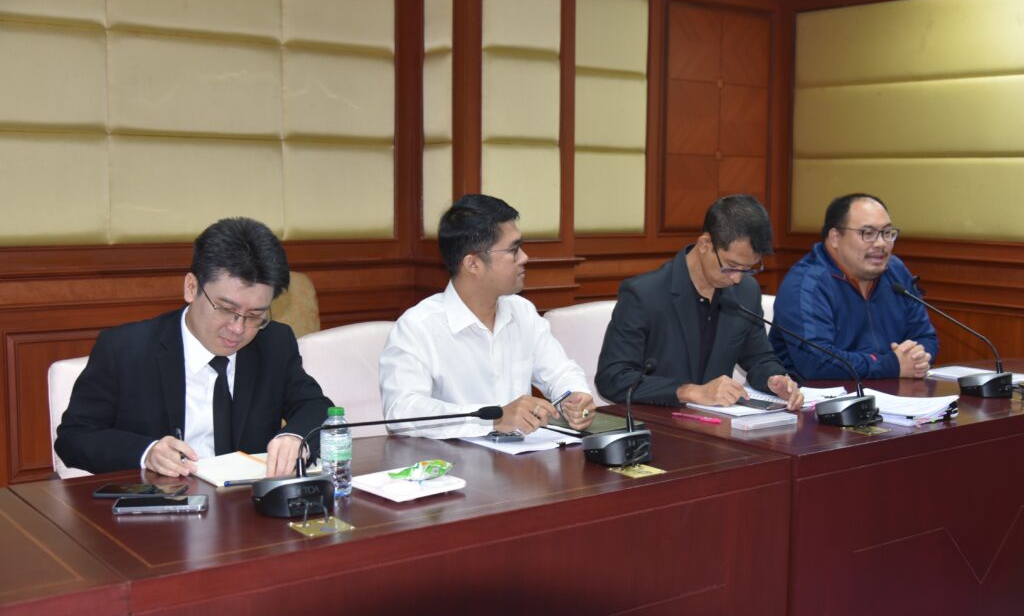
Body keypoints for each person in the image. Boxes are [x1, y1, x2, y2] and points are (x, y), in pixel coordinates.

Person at [55, 217, 332, 477]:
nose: (238, 328)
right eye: (226, 309)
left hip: (248, 503)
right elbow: (74, 437)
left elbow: (316, 407)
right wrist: (147, 453)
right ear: (191, 287)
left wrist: (295, 436)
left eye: (255, 315)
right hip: (163, 505)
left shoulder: (273, 342)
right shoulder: (126, 349)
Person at [380, 194, 596, 438]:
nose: (524, 257)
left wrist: (575, 396)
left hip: (526, 455)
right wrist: (492, 418)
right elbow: (401, 411)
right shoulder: (418, 326)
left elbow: (560, 372)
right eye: (513, 250)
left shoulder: (522, 311)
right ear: (472, 264)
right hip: (453, 459)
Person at [596, 195, 803, 410]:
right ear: (705, 244)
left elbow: (759, 359)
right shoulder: (644, 294)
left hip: (719, 423)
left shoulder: (745, 291)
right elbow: (612, 378)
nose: (737, 278)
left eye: (748, 268)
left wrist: (774, 379)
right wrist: (689, 391)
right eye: (731, 265)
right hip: (659, 422)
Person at [771, 193, 938, 380]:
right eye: (868, 233)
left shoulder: (895, 271)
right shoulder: (806, 284)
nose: (881, 244)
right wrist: (891, 364)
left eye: (887, 233)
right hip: (819, 395)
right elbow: (816, 361)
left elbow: (926, 337)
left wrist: (917, 358)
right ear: (835, 237)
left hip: (891, 390)